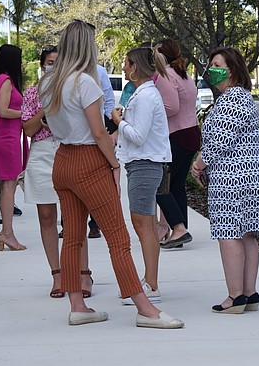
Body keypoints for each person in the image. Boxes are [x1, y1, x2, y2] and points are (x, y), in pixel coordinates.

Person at [39, 20, 182, 328]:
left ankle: (77, 305)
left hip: (61, 159)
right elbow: (99, 132)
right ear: (86, 46)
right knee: (118, 237)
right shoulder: (85, 82)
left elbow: (48, 124)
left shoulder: (49, 82)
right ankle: (146, 309)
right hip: (88, 160)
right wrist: (114, 165)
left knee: (73, 237)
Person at [190, 47, 259, 314]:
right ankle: (249, 294)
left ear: (232, 69)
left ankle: (235, 296)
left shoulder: (231, 99)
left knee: (229, 233)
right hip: (248, 177)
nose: (211, 69)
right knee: (247, 234)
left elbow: (218, 142)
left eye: (216, 64)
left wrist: (198, 165)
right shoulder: (242, 98)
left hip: (232, 178)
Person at [22, 46, 93, 298]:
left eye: (57, 62)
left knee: (74, 215)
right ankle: (57, 274)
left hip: (67, 150)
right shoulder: (32, 92)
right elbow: (29, 129)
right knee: (46, 215)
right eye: (49, 62)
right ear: (42, 65)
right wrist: (45, 109)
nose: (53, 66)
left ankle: (83, 273)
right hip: (41, 153)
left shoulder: (73, 88)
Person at [111, 46, 170, 304]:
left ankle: (152, 284)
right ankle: (150, 281)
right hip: (141, 163)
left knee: (143, 224)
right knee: (142, 223)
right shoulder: (143, 94)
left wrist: (118, 122)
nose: (123, 68)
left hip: (145, 164)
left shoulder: (146, 96)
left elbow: (138, 135)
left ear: (135, 67)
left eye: (125, 63)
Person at [154, 39, 200, 249]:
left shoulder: (166, 75)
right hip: (191, 131)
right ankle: (180, 230)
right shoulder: (184, 74)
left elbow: (171, 107)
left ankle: (178, 228)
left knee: (160, 184)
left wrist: (149, 114)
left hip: (177, 134)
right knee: (177, 183)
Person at [0, 44, 27, 251]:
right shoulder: (5, 81)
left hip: (6, 136)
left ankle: (6, 233)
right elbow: (3, 110)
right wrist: (24, 113)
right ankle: (8, 234)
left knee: (6, 187)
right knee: (9, 186)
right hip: (7, 138)